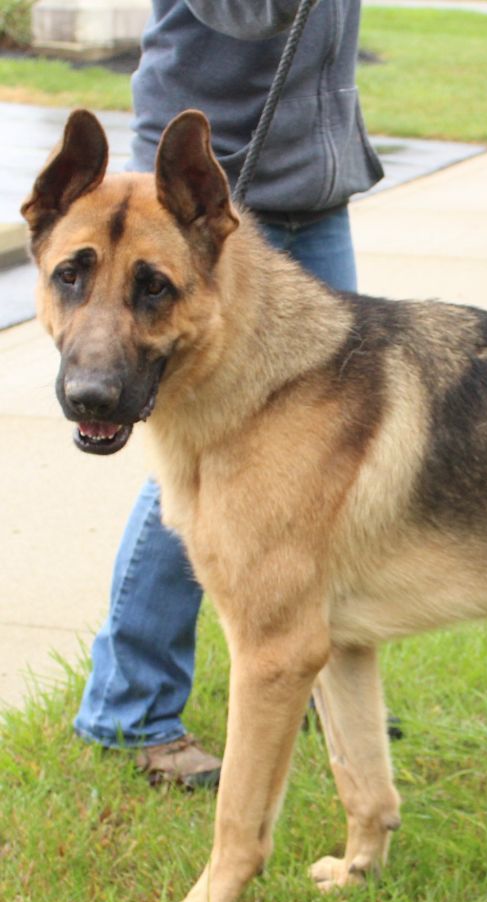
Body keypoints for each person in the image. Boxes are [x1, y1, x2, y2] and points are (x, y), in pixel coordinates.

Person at [74, 0, 383, 787]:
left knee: (328, 462)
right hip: (202, 200)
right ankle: (131, 708)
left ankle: (301, 682)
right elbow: (247, 13)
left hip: (311, 190)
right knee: (211, 469)